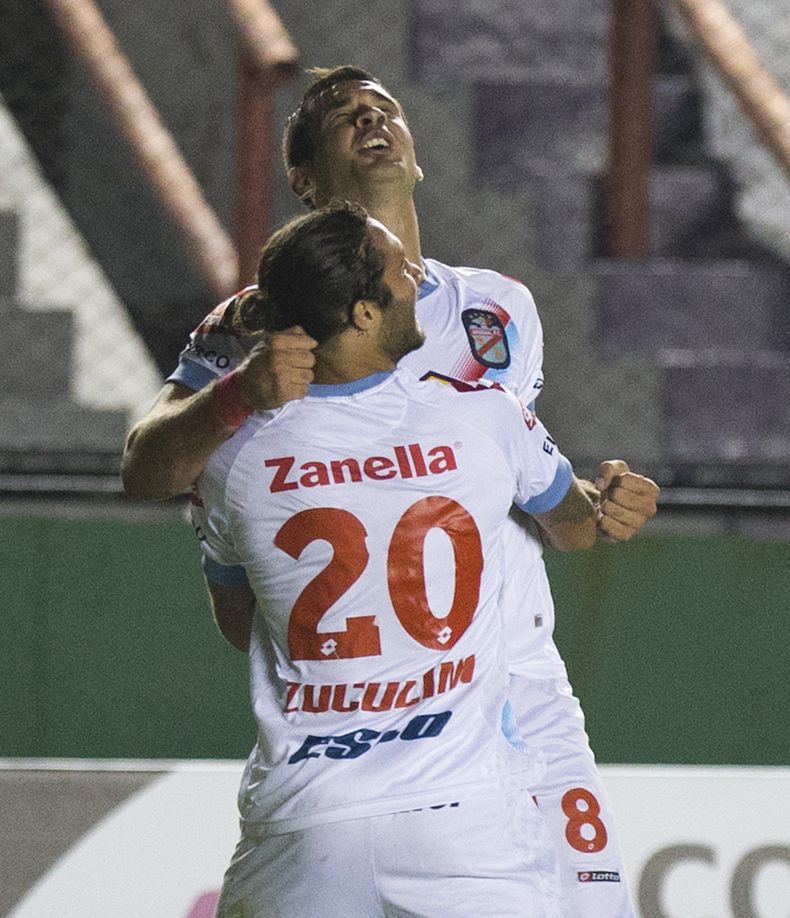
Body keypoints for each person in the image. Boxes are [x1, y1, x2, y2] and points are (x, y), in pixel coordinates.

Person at [121, 66, 659, 916]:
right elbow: (145, 467)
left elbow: (532, 490)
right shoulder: (254, 324)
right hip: (369, 705)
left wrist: (601, 504)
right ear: (302, 180)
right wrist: (238, 392)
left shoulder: (498, 308)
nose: (373, 121)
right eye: (343, 117)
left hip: (516, 683)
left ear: (416, 156)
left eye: (387, 109)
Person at [196, 200, 598, 917]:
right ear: (361, 313)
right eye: (398, 270)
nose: (417, 276)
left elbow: (238, 622)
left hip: (304, 825)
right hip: (466, 820)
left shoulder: (234, 458)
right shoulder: (484, 417)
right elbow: (576, 523)